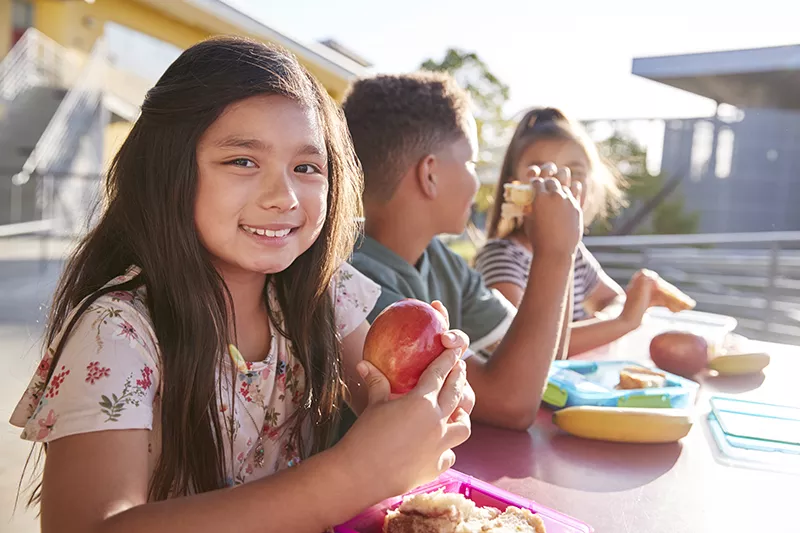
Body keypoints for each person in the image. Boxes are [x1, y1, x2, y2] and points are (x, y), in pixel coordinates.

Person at [10, 38, 474, 533]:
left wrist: (429, 392)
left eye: (306, 168)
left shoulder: (322, 293)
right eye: (242, 161)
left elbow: (384, 400)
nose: (284, 196)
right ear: (169, 170)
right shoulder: (118, 332)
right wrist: (347, 476)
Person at [343, 73, 582, 431]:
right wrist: (555, 253)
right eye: (471, 162)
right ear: (430, 175)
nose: (477, 181)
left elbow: (544, 357)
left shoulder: (440, 261)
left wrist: (558, 245)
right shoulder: (355, 279)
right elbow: (511, 403)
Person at [476, 107, 670, 357]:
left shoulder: (575, 253)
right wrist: (622, 323)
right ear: (514, 184)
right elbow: (526, 348)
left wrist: (601, 322)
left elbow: (612, 299)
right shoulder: (502, 257)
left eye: (574, 173)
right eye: (540, 172)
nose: (558, 185)